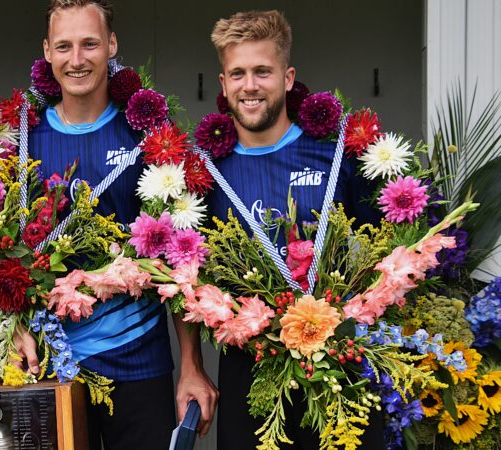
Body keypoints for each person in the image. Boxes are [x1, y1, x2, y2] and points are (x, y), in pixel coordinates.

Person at [13, 1, 218, 449]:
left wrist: (191, 364)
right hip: (50, 364)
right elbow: (0, 252)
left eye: (89, 44)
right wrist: (14, 326)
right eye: (64, 46)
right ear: (46, 51)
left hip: (139, 360)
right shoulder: (23, 137)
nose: (77, 59)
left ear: (111, 45)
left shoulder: (148, 136)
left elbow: (180, 259)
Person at [208, 10, 382, 449]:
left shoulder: (336, 153)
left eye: (262, 71)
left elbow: (384, 255)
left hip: (341, 365)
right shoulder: (205, 171)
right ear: (223, 83)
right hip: (250, 369)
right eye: (238, 73)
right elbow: (187, 276)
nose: (250, 85)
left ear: (287, 78)